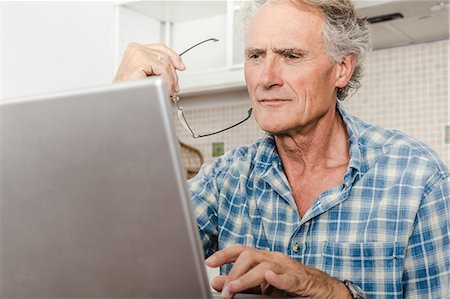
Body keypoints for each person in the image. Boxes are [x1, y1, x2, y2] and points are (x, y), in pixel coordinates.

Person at [114, 0, 450, 298]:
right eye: (256, 56)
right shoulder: (225, 178)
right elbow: (124, 258)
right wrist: (123, 106)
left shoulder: (419, 179)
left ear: (342, 69)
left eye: (291, 55)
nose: (266, 77)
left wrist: (327, 291)